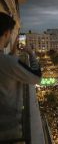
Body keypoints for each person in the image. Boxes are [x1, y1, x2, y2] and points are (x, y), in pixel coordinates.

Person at [0, 12, 42, 141]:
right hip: (8, 131)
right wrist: (31, 53)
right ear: (7, 33)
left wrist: (13, 54)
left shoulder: (7, 60)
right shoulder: (7, 62)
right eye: (11, 33)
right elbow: (37, 77)